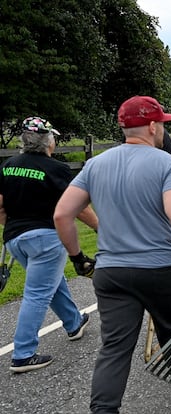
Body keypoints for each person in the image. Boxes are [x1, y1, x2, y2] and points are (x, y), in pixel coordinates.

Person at [54, 95, 171, 414]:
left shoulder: (95, 164)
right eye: (164, 125)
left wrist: (77, 258)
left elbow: (62, 213)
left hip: (112, 271)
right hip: (158, 267)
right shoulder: (167, 164)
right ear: (154, 127)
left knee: (114, 349)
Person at [0, 117, 98, 373]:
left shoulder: (8, 165)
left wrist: (9, 224)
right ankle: (23, 353)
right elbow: (76, 208)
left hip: (15, 238)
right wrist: (102, 228)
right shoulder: (57, 169)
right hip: (45, 237)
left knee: (51, 283)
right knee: (37, 293)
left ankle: (73, 322)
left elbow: (0, 205)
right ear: (48, 141)